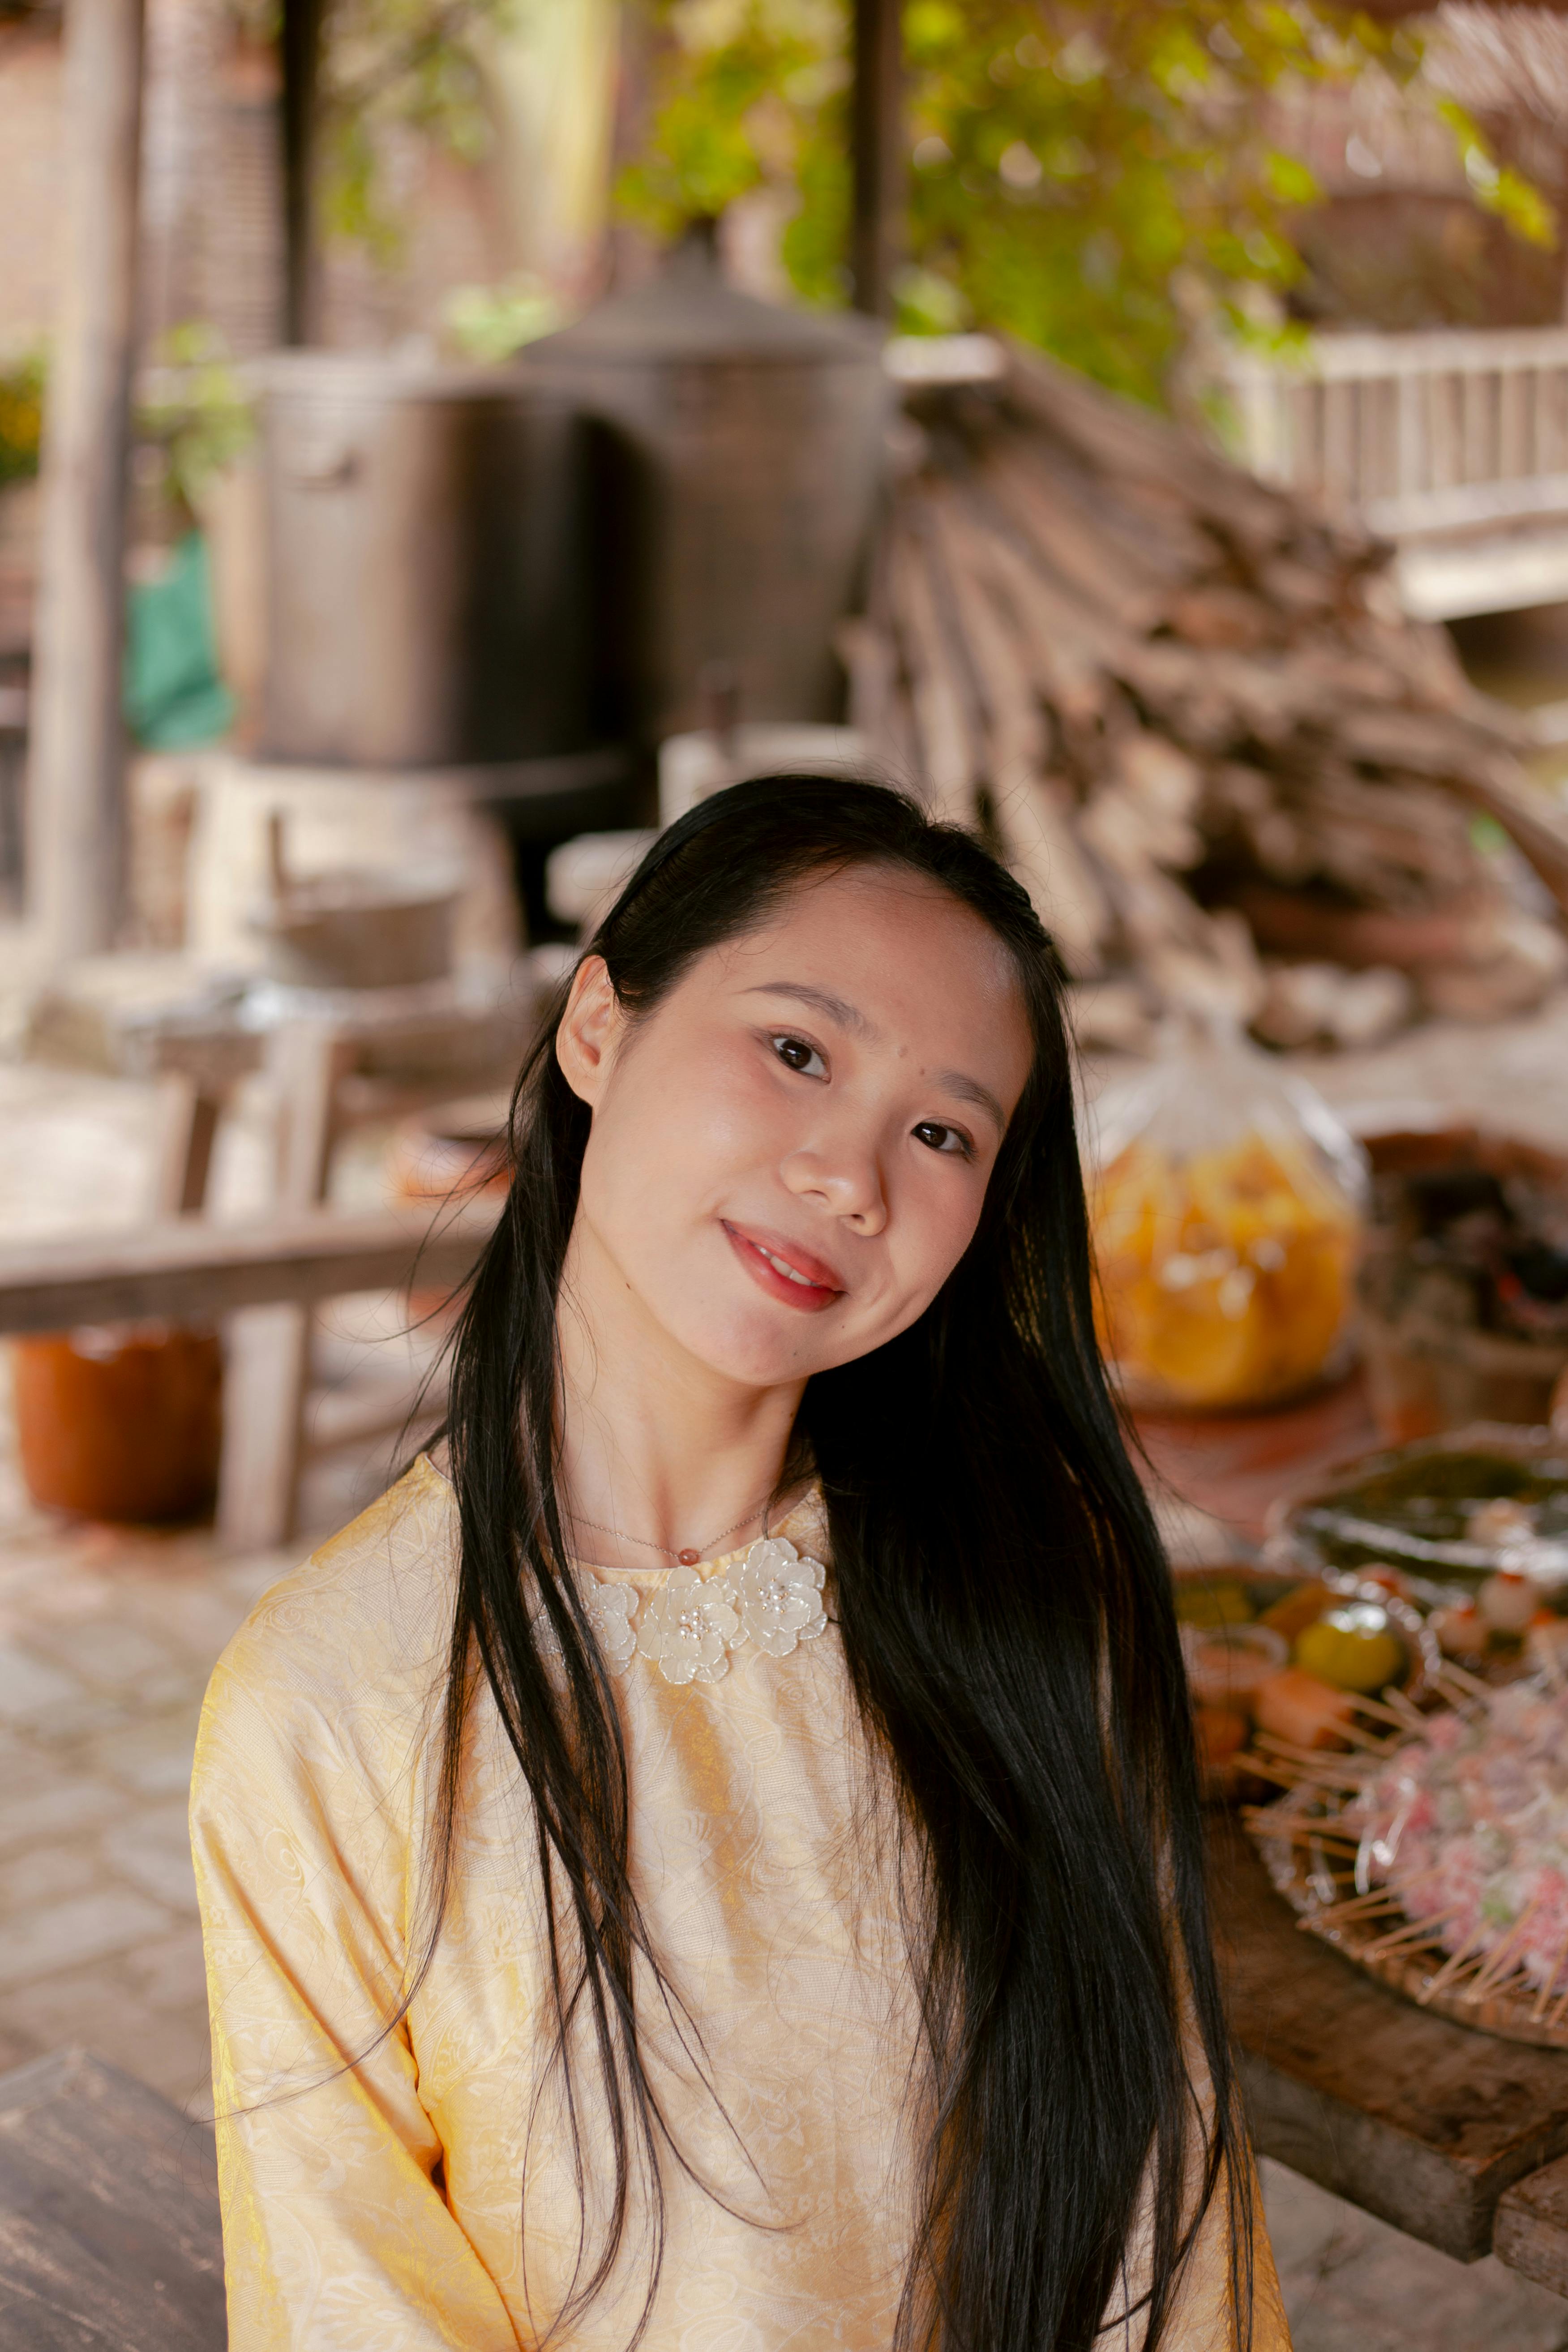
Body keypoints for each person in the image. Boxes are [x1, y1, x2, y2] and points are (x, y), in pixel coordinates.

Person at [192, 775, 1289, 2351]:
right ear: (595, 1032)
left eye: (940, 1129)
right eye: (795, 1051)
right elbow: (351, 2303)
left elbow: (1166, 2228)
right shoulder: (329, 1711)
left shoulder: (1030, 1587)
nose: (853, 1174)